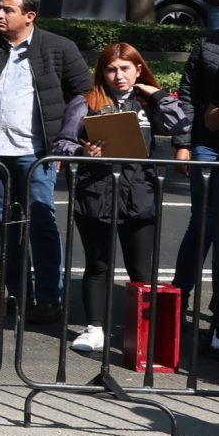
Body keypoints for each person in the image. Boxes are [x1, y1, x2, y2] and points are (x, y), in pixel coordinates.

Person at [0, 0, 91, 325]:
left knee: (41, 224)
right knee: (6, 225)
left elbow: (85, 95)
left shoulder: (59, 48)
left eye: (8, 10)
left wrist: (69, 142)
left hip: (37, 155)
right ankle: (18, 292)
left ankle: (49, 297)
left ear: (30, 16)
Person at [68, 43, 188, 357]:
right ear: (102, 72)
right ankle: (95, 328)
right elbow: (63, 143)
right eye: (111, 68)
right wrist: (84, 152)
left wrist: (159, 95)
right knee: (98, 265)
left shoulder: (149, 102)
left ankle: (144, 334)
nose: (118, 76)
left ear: (138, 69)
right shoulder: (87, 101)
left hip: (140, 193)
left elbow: (182, 125)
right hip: (96, 193)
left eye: (125, 68)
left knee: (142, 270)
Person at [174, 0, 219, 355]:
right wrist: (183, 141)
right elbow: (187, 95)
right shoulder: (209, 45)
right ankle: (179, 296)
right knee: (205, 223)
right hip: (210, 145)